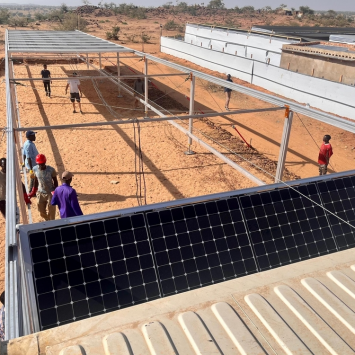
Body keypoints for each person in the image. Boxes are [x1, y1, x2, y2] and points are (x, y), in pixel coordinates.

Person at [28, 154, 58, 221]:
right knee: (41, 210)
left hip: (50, 193)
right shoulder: (35, 169)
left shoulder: (51, 170)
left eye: (42, 164)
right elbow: (35, 181)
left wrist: (56, 192)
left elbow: (55, 181)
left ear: (45, 162)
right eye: (39, 164)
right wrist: (33, 192)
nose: (41, 165)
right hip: (40, 192)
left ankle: (52, 223)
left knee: (52, 210)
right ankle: (47, 220)